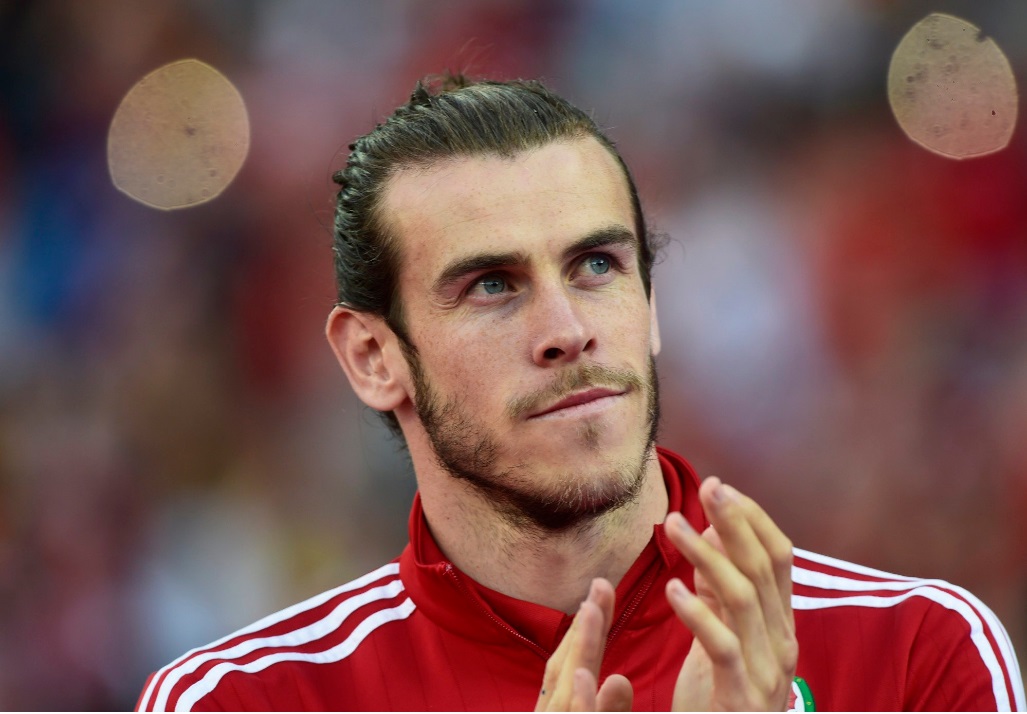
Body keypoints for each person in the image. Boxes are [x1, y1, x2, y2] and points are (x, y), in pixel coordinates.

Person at [136, 75, 1024, 712]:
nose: (566, 329)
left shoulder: (917, 654)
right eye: (492, 285)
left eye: (596, 265)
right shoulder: (245, 699)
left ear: (651, 305)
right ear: (373, 357)